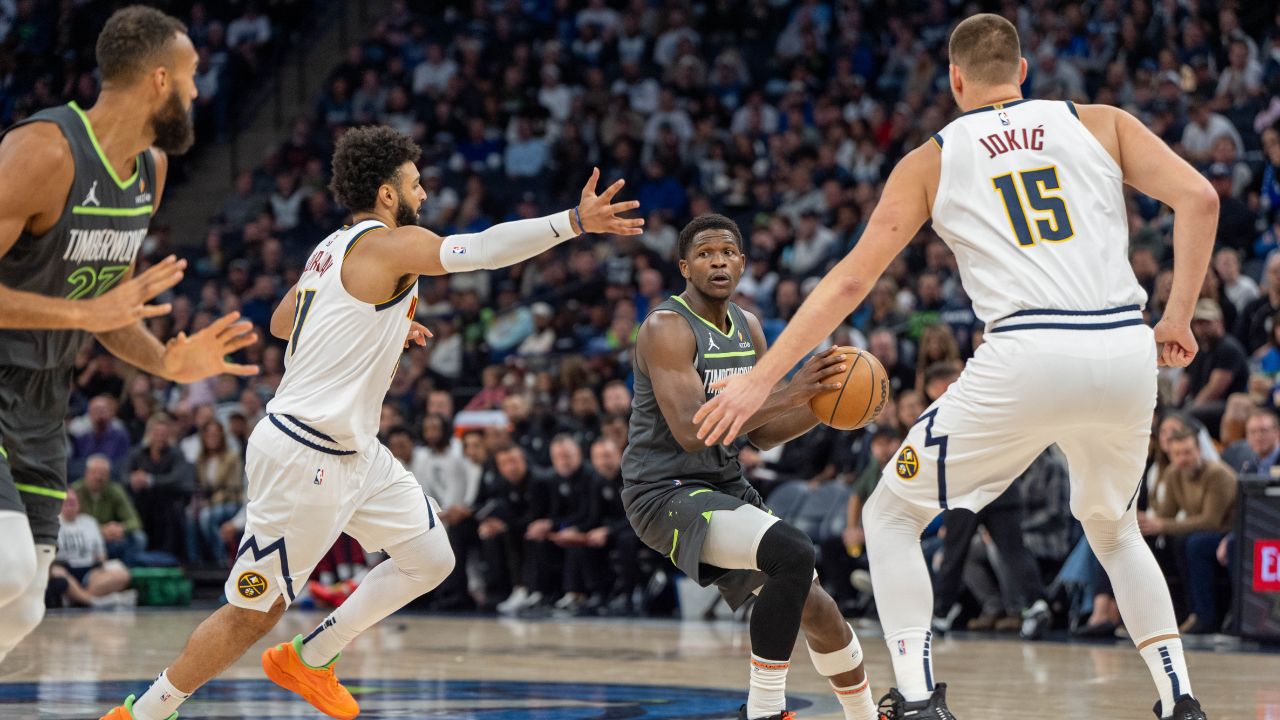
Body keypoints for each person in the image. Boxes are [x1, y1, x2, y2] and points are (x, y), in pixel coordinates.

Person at [696, 14, 1215, 720]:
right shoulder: (1100, 121)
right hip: (1125, 349)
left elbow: (851, 282)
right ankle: (1179, 698)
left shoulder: (932, 157)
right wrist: (1177, 316)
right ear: (1024, 72)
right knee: (1115, 528)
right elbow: (1201, 198)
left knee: (890, 511)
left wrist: (762, 379)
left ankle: (916, 698)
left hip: (1028, 352)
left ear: (955, 80)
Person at [101, 124, 641, 720]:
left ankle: (311, 657)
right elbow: (484, 250)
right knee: (253, 611)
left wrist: (377, 324)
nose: (425, 196)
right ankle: (144, 711)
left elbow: (286, 321)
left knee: (431, 557)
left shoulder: (331, 248)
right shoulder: (389, 244)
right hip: (307, 452)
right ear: (388, 194)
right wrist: (573, 221)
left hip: (354, 452)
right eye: (416, 184)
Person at [0, 6, 256, 664]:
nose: (200, 92)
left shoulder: (151, 170)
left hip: (41, 397)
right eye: (194, 77)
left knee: (26, 601)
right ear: (160, 80)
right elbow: (92, 313)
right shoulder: (43, 151)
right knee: (5, 566)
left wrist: (169, 360)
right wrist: (84, 317)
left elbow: (110, 308)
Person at [622, 213, 879, 720]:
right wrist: (793, 390)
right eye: (703, 254)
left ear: (741, 263)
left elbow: (760, 432)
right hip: (664, 491)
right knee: (793, 551)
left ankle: (867, 716)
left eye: (726, 252)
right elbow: (694, 431)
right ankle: (764, 711)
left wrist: (824, 407)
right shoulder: (665, 328)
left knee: (820, 609)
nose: (716, 260)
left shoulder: (749, 327)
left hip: (725, 485)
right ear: (684, 267)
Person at [49, 488, 132, 607]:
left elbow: (101, 554)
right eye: (66, 502)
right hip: (65, 570)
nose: (70, 505)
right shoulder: (53, 523)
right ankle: (96, 601)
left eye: (73, 502)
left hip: (90, 572)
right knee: (56, 573)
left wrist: (100, 569)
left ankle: (78, 598)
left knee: (123, 574)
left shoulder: (90, 522)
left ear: (79, 504)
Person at [71, 454, 145, 564]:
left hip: (111, 537)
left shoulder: (115, 491)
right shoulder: (75, 491)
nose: (98, 477)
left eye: (103, 474)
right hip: (84, 535)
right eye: (94, 473)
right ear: (86, 473)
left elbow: (135, 521)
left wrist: (120, 528)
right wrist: (100, 530)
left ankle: (127, 573)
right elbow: (67, 521)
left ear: (109, 476)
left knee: (139, 538)